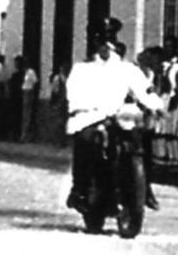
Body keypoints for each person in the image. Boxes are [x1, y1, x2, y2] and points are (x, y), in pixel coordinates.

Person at [64, 27, 163, 215]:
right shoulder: (82, 69)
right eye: (101, 43)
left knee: (142, 141)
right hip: (90, 117)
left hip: (119, 117)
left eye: (109, 44)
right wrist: (82, 107)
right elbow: (74, 94)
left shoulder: (126, 69)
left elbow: (144, 90)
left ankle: (145, 186)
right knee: (87, 141)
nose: (105, 48)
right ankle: (79, 190)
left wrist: (156, 106)